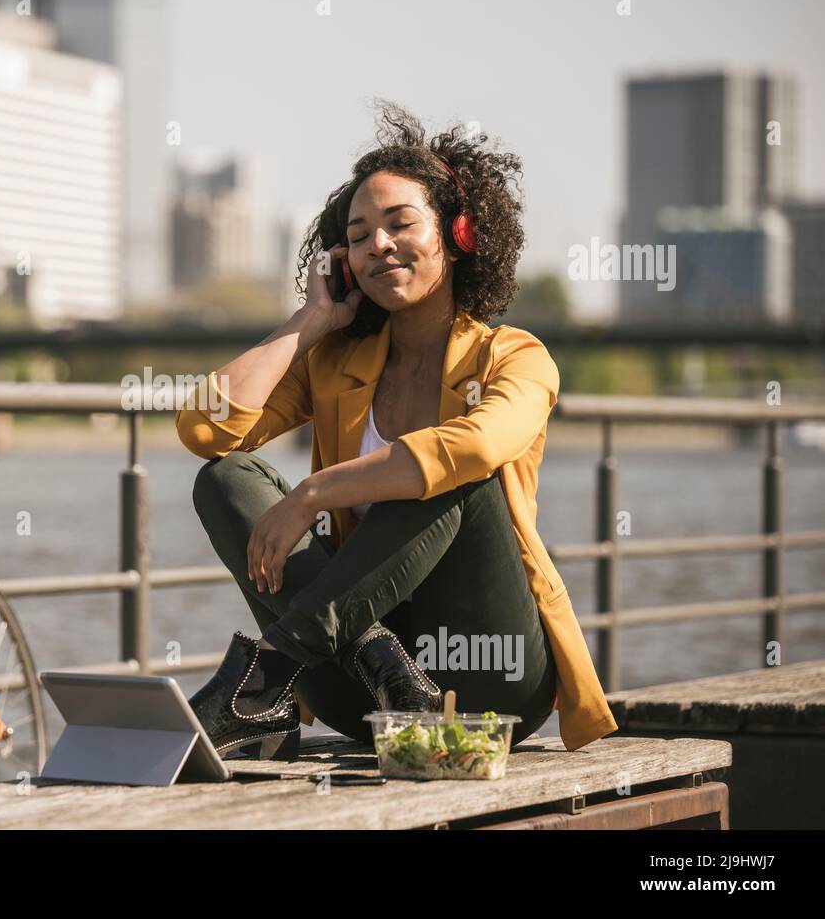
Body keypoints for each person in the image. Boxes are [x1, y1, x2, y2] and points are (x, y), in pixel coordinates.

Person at [175, 101, 618, 762]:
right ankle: (380, 663)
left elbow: (475, 446)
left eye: (399, 223)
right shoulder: (334, 365)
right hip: (360, 697)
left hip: (487, 678)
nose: (377, 244)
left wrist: (315, 491)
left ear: (457, 234)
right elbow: (204, 429)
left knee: (460, 476)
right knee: (225, 478)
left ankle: (263, 681)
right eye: (357, 236)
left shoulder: (514, 357)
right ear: (343, 260)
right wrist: (309, 320)